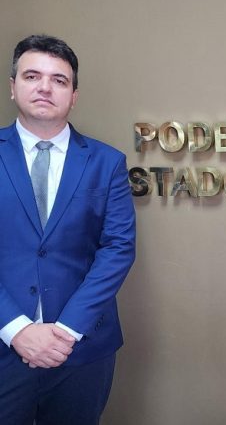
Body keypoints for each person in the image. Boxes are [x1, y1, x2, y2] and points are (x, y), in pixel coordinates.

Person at [0, 34, 136, 424]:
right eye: (32, 76)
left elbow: (118, 248)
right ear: (13, 87)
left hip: (80, 348)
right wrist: (16, 329)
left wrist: (66, 331)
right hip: (4, 344)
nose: (45, 87)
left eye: (59, 80)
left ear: (73, 96)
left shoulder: (107, 162)